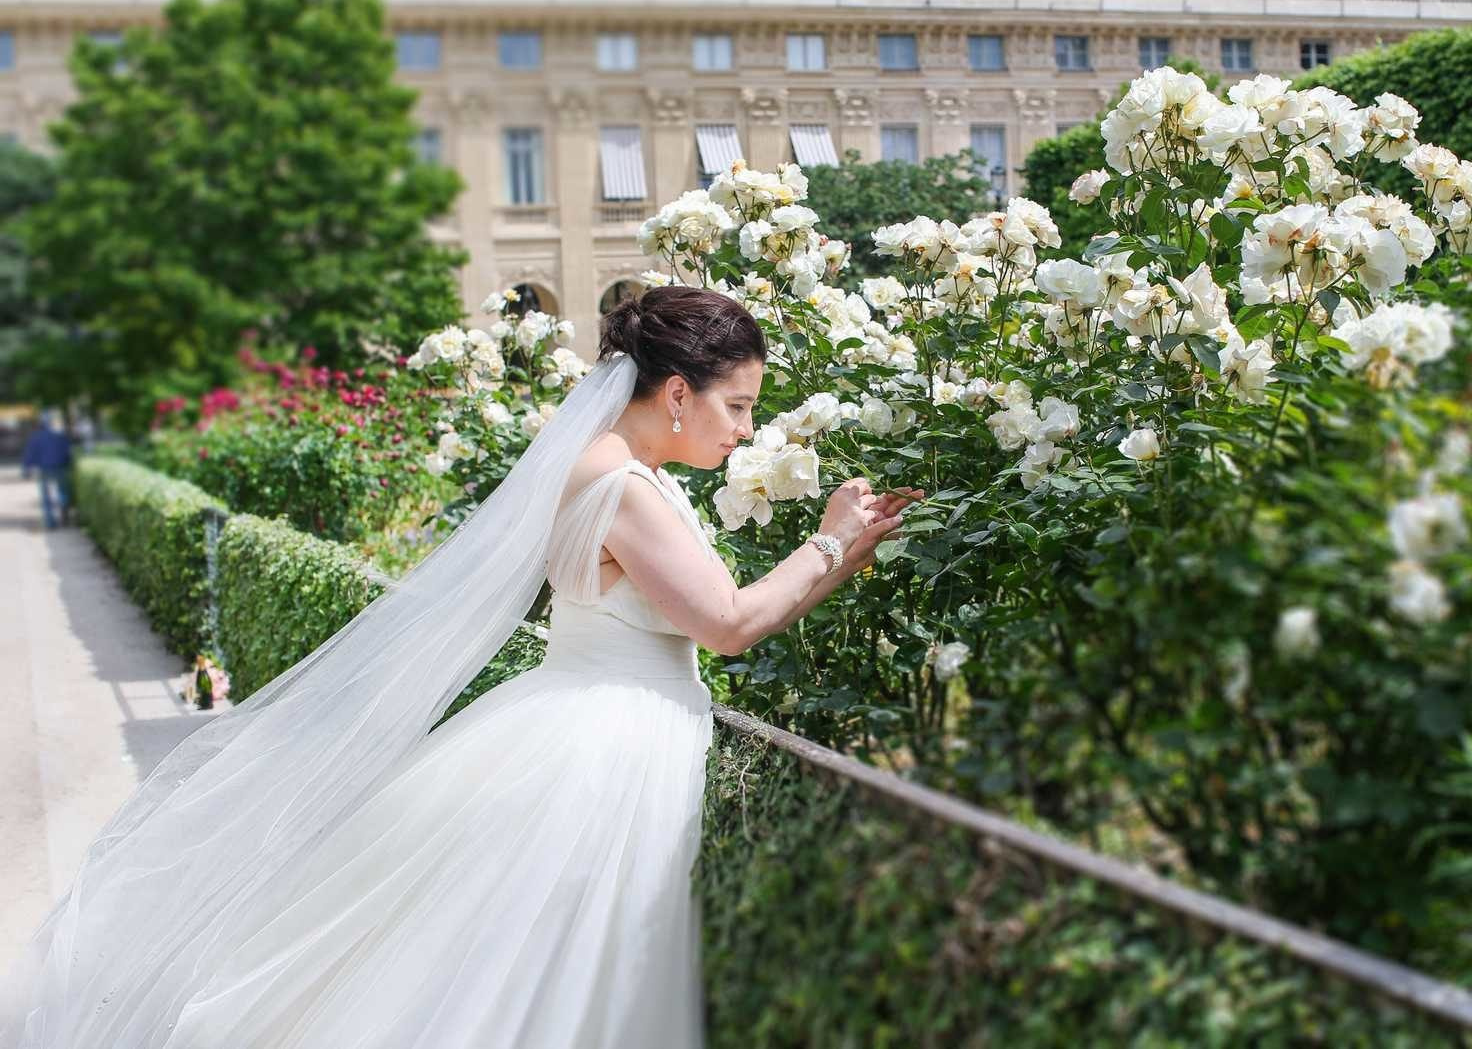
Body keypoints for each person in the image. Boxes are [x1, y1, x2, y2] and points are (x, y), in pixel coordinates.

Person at [0, 286, 922, 1048]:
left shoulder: (610, 465)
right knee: (548, 982)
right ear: (678, 393)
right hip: (606, 747)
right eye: (738, 405)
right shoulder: (627, 486)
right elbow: (725, 626)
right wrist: (827, 540)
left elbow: (724, 623)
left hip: (572, 717)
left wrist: (842, 550)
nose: (746, 429)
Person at [19, 410, 73, 530]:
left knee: (46, 497)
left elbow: (30, 454)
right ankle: (64, 507)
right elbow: (68, 451)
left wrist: (26, 470)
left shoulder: (36, 437)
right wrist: (68, 464)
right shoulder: (61, 435)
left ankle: (50, 522)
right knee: (62, 492)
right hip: (61, 467)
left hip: (45, 469)